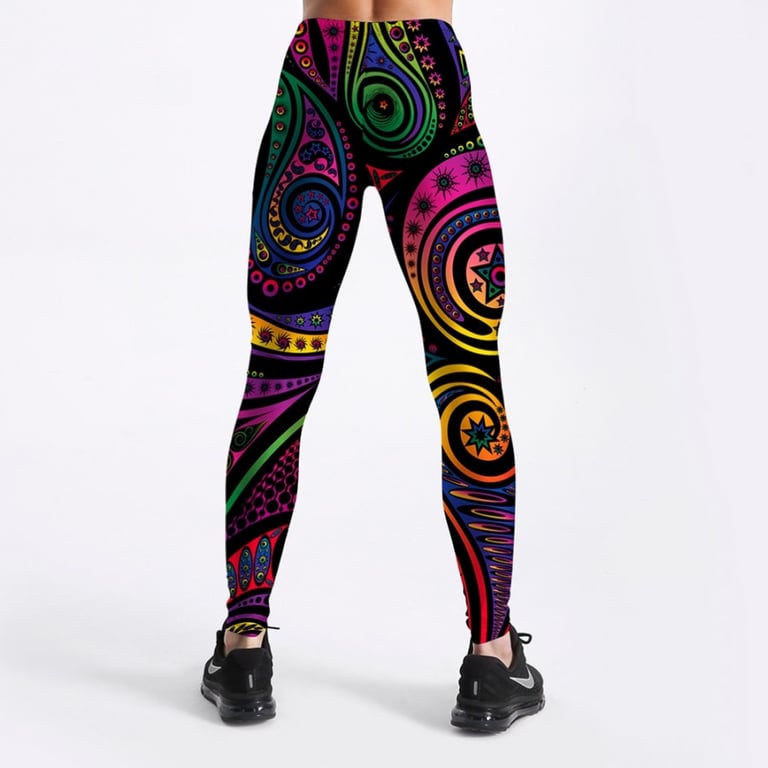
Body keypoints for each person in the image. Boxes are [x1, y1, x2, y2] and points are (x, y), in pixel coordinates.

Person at [200, 0, 545, 732]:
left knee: (277, 378)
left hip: (318, 74)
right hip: (424, 75)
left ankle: (244, 647)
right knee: (467, 375)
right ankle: (491, 655)